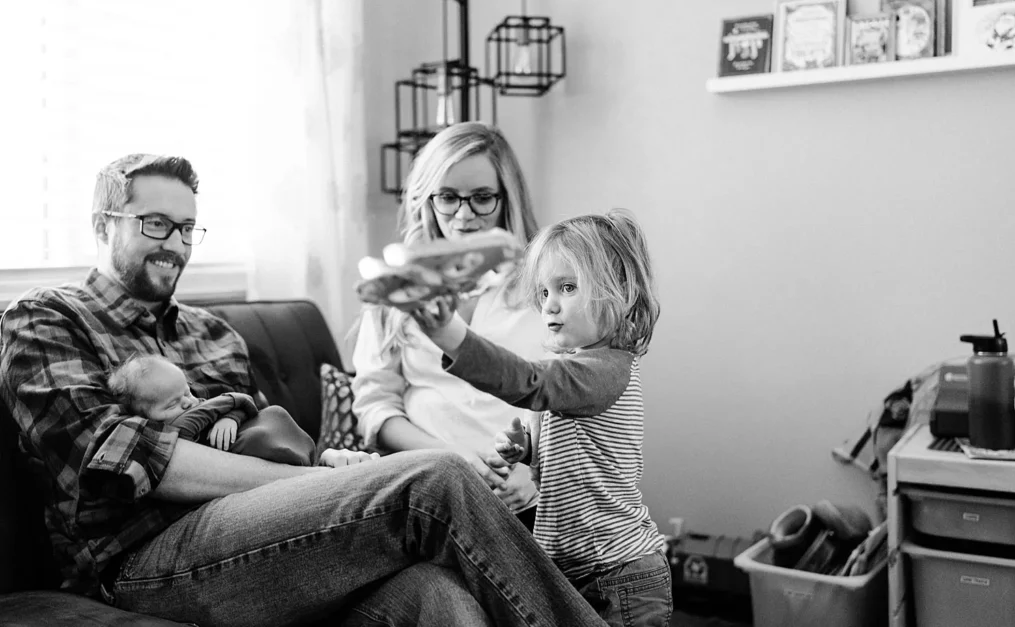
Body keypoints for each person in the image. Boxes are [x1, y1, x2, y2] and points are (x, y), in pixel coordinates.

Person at [0, 153, 608, 627]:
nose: (176, 244)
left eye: (187, 228)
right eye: (155, 224)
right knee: (436, 478)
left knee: (439, 599)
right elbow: (129, 458)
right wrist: (322, 486)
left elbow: (264, 445)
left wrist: (330, 465)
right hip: (140, 561)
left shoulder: (213, 334)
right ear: (101, 224)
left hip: (249, 538)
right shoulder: (46, 319)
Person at [408, 209, 673, 627]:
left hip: (620, 576)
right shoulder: (577, 368)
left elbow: (530, 383)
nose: (550, 304)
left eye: (567, 287)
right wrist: (527, 447)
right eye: (545, 291)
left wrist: (452, 338)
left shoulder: (606, 370)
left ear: (618, 291)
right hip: (574, 569)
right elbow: (573, 440)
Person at [351, 122, 548, 529]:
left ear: (506, 198)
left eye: (481, 198)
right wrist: (449, 460)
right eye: (448, 197)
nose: (463, 215)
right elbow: (375, 409)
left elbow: (567, 400)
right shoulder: (399, 288)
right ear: (428, 199)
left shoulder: (543, 285)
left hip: (522, 494)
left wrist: (538, 476)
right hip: (427, 487)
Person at [108, 353, 322, 467]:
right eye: (172, 404)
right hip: (265, 461)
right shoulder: (172, 431)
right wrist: (228, 408)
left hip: (272, 429)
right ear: (143, 416)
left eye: (187, 391)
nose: (188, 403)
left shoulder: (198, 406)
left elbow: (243, 403)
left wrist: (230, 418)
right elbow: (233, 400)